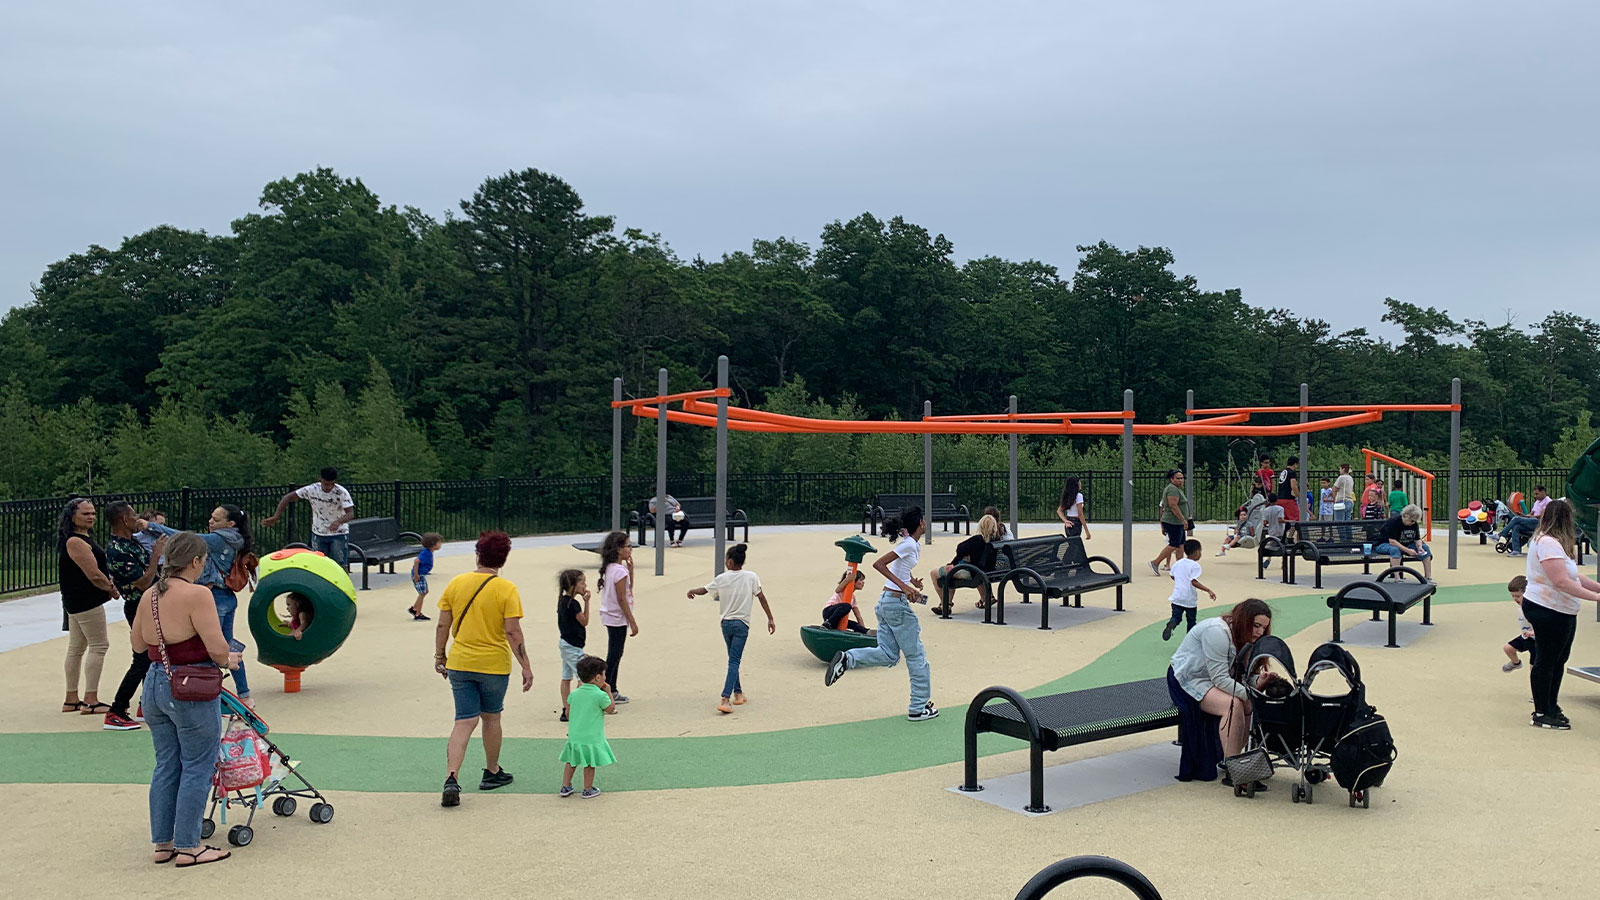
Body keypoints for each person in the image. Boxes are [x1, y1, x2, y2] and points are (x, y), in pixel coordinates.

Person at [131, 531, 238, 867]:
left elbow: (138, 644)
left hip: (155, 683)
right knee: (197, 764)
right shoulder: (198, 594)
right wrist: (230, 659)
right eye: (204, 561)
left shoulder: (150, 595)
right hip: (190, 686)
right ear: (195, 561)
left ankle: (163, 842)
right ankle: (190, 845)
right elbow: (218, 649)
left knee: (166, 764)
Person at [434, 531, 532, 807]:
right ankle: (492, 771)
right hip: (494, 664)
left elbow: (442, 624)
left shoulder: (456, 584)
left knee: (463, 721)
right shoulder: (506, 589)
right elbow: (512, 632)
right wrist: (526, 666)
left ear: (478, 554)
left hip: (460, 661)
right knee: (491, 717)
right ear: (503, 559)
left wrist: (440, 655)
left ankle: (452, 776)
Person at [824, 507, 938, 722]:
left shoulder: (911, 544)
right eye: (924, 520)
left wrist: (911, 581)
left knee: (888, 654)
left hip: (887, 603)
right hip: (896, 604)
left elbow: (900, 566)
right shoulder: (908, 544)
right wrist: (904, 587)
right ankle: (918, 707)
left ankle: (848, 659)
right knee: (916, 657)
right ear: (921, 524)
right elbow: (879, 564)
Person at [147, 505, 258, 706]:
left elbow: (185, 539)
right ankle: (244, 693)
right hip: (227, 597)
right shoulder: (237, 539)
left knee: (210, 647)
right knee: (227, 645)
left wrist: (152, 527)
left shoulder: (218, 539)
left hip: (213, 596)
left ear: (230, 524)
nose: (210, 522)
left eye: (216, 519)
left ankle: (210, 690)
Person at [1167, 598, 1274, 785]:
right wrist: (1249, 693)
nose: (1260, 632)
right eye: (1256, 625)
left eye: (1264, 628)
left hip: (1214, 679)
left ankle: (1235, 760)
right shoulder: (1216, 632)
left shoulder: (1246, 637)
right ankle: (1235, 769)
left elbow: (1243, 676)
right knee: (1233, 704)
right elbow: (1220, 678)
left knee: (1247, 704)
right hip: (1188, 678)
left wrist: (1260, 681)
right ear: (1244, 620)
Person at [1519, 500, 1600, 730]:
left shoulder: (1557, 543)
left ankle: (1551, 705)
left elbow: (1574, 576)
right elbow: (1561, 581)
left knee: (1558, 659)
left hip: (1562, 609)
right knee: (1547, 659)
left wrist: (1597, 588)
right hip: (1547, 607)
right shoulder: (1547, 543)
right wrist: (1595, 598)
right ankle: (1541, 711)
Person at [687, 543, 775, 714]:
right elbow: (761, 597)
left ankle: (738, 693)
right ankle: (725, 698)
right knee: (734, 660)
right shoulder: (751, 577)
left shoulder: (722, 578)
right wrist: (770, 618)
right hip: (742, 624)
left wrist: (692, 591)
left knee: (732, 659)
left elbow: (704, 590)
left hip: (726, 624)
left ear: (729, 562)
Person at [104, 502, 168, 731]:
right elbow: (142, 582)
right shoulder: (117, 550)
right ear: (124, 519)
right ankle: (117, 710)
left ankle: (146, 704)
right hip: (138, 606)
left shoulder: (133, 542)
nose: (137, 518)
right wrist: (156, 556)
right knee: (142, 659)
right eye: (133, 515)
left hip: (150, 604)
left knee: (152, 657)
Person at [57, 498, 118, 718]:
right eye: (85, 513)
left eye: (92, 513)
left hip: (76, 601)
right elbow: (93, 574)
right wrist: (111, 589)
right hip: (85, 601)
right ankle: (91, 700)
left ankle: (71, 698)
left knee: (76, 648)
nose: (91, 517)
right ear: (72, 516)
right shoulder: (76, 541)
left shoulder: (79, 539)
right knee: (99, 645)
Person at [261, 467, 355, 568]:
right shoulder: (312, 489)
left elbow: (350, 513)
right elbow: (287, 497)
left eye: (332, 484)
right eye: (326, 484)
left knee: (339, 564)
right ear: (320, 480)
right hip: (318, 533)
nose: (329, 487)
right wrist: (276, 516)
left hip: (338, 534)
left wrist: (338, 522)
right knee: (318, 564)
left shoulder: (341, 492)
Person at [559, 655, 617, 799]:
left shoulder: (574, 694)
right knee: (590, 763)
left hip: (575, 735)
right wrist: (608, 692)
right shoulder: (600, 695)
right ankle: (588, 788)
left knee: (571, 761)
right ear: (598, 677)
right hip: (591, 736)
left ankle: (565, 786)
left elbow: (568, 713)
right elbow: (611, 709)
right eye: (604, 674)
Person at [596, 531, 639, 704]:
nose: (630, 549)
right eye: (628, 546)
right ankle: (607, 689)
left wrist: (631, 571)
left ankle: (611, 688)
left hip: (610, 615)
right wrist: (632, 621)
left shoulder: (612, 568)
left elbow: (627, 589)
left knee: (615, 653)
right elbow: (622, 598)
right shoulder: (619, 571)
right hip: (617, 617)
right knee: (614, 654)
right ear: (619, 549)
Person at [931, 514, 1001, 614]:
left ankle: (945, 604)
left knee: (934, 573)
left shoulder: (977, 540)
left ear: (981, 526)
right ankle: (986, 597)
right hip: (988, 572)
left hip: (973, 573)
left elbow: (960, 548)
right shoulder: (996, 541)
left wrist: (968, 557)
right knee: (952, 572)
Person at [1163, 539, 1216, 641]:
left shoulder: (1178, 563)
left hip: (1177, 597)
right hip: (1189, 599)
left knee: (1176, 617)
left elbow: (1172, 576)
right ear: (1197, 552)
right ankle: (1190, 640)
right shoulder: (1195, 566)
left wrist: (1180, 580)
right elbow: (1193, 582)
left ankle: (1172, 623)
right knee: (1191, 621)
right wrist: (1208, 590)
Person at [556, 569, 590, 723]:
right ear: (573, 585)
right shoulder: (574, 604)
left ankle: (566, 708)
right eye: (582, 582)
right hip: (573, 646)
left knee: (566, 676)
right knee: (583, 675)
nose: (585, 586)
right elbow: (584, 621)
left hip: (565, 643)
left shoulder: (562, 601)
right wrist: (587, 602)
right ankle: (576, 707)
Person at [1149, 470, 1191, 576]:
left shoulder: (1176, 489)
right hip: (1173, 521)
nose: (1181, 480)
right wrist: (1183, 519)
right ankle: (1155, 562)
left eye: (1182, 478)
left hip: (1177, 522)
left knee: (1181, 544)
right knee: (1174, 544)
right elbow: (1173, 505)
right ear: (1172, 479)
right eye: (1178, 478)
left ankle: (1180, 567)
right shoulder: (1172, 489)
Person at [1376, 503, 1433, 580]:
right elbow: (1392, 541)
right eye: (1411, 521)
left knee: (1425, 548)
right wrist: (1408, 550)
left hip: (1406, 544)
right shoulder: (1394, 522)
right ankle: (1397, 578)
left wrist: (1419, 547)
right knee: (1395, 550)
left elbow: (1417, 539)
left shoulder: (1414, 524)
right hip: (1385, 544)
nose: (1413, 523)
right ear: (1405, 516)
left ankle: (1428, 577)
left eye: (1414, 521)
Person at [1498, 485, 1551, 557]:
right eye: (1535, 494)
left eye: (1537, 494)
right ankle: (1516, 550)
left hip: (1540, 523)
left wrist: (1528, 517)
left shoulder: (1548, 502)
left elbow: (1542, 516)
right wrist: (1525, 516)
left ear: (1543, 492)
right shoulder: (1537, 502)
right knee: (1516, 527)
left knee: (1516, 519)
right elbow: (1531, 513)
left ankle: (1501, 534)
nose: (1535, 496)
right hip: (1532, 521)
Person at [1501, 575, 1536, 673]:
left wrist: (1534, 632)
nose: (1515, 599)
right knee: (1508, 648)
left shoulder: (1534, 609)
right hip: (1527, 637)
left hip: (1538, 641)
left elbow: (1545, 625)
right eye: (1513, 596)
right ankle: (1516, 663)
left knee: (1534, 671)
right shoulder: (1521, 607)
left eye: (1518, 596)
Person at [823, 570, 874, 635]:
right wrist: (848, 579)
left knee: (854, 624)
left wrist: (862, 627)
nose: (863, 583)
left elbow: (858, 616)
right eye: (860, 580)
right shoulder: (842, 590)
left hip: (838, 619)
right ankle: (828, 623)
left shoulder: (853, 598)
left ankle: (866, 631)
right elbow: (837, 590)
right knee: (847, 606)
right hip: (829, 612)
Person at [409, 532, 443, 620]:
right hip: (419, 575)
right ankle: (418, 614)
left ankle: (414, 608)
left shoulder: (428, 552)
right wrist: (416, 575)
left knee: (425, 591)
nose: (441, 544)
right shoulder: (426, 553)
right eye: (439, 542)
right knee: (422, 593)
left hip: (421, 574)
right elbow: (416, 561)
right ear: (433, 544)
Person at [1333, 464, 1357, 532]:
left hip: (1341, 501)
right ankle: (1349, 537)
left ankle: (1342, 537)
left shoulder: (1341, 477)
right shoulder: (1350, 478)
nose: (1339, 470)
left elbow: (1334, 489)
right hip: (1350, 501)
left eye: (1340, 469)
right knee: (1348, 523)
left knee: (1340, 523)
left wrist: (1335, 499)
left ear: (1343, 469)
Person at [1276, 457, 1301, 521]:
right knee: (1295, 518)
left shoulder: (1283, 472)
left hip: (1280, 498)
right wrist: (1298, 496)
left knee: (1283, 518)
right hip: (1289, 499)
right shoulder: (1292, 473)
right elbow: (1293, 486)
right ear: (1295, 464)